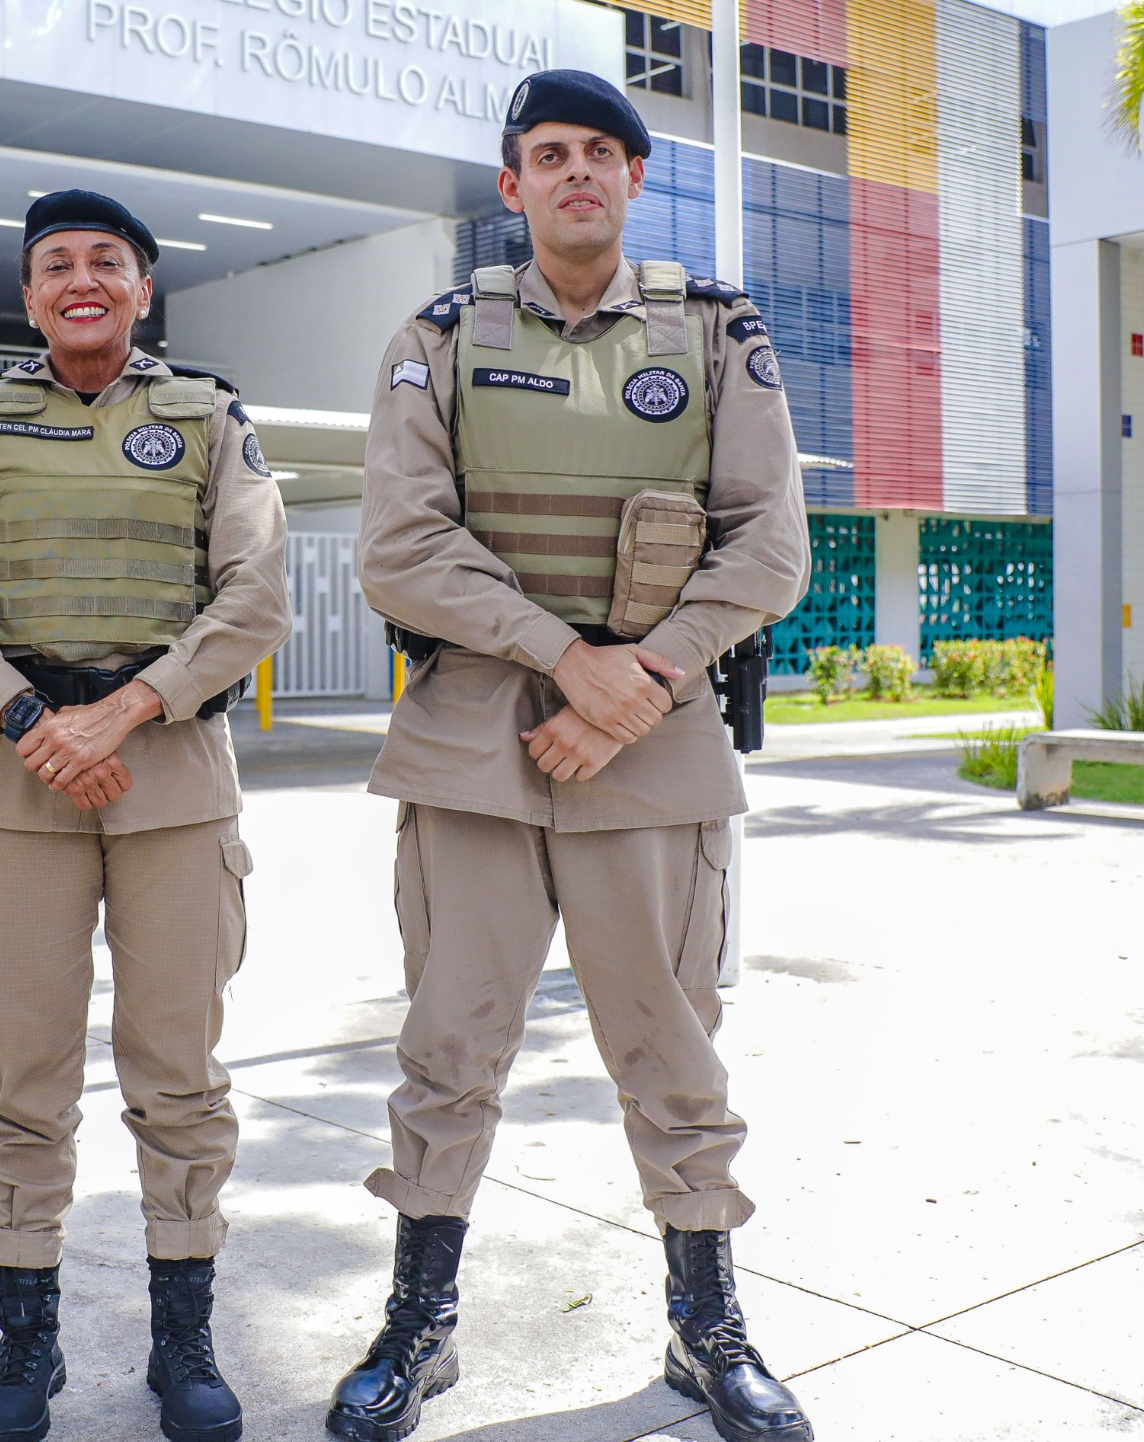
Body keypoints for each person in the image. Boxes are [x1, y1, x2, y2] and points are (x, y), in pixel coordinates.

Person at [326, 71, 815, 1442]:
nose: (576, 173)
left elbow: (769, 544)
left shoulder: (718, 331)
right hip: (477, 739)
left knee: (673, 1047)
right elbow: (401, 545)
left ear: (634, 178)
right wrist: (566, 654)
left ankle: (702, 1322)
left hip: (654, 742)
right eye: (550, 154)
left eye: (601, 152)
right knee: (448, 1043)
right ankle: (419, 1325)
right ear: (513, 185)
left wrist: (637, 677)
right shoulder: (436, 336)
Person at [0, 189, 290, 1442]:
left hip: (167, 774)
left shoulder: (208, 414)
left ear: (144, 288)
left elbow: (257, 590)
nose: (80, 279)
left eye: (105, 261)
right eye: (54, 262)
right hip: (19, 779)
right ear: (28, 293)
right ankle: (27, 1340)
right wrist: (28, 719)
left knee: (177, 1075)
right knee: (27, 1077)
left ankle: (184, 1338)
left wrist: (124, 712)